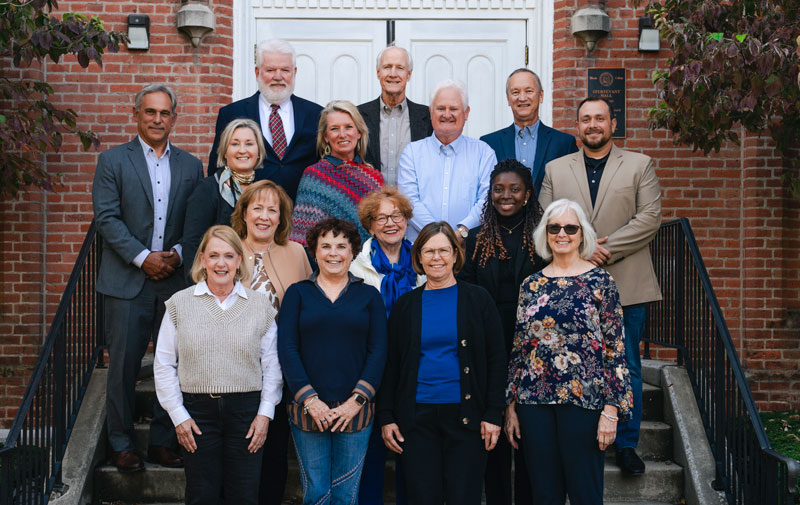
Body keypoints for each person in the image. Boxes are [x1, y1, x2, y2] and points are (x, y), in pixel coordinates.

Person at [539, 95, 662, 475]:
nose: (592, 125)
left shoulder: (640, 165)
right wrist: (580, 254)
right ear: (578, 127)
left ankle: (626, 445)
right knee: (576, 362)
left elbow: (649, 218)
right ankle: (582, 438)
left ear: (612, 124)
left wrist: (598, 251)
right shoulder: (556, 169)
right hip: (569, 290)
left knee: (627, 364)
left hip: (626, 281)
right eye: (585, 119)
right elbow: (545, 221)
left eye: (600, 119)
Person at [92, 83, 203, 473]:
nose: (157, 119)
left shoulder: (191, 165)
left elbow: (196, 221)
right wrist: (143, 258)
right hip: (126, 282)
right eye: (150, 112)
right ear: (136, 114)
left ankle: (162, 440)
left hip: (174, 281)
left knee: (171, 364)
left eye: (164, 113)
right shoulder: (112, 161)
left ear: (175, 117)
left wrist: (178, 254)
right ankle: (121, 444)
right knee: (123, 366)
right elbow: (106, 218)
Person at [505, 199, 633, 505]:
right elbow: (520, 348)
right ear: (545, 233)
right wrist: (510, 405)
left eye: (570, 228)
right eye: (554, 227)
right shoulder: (531, 285)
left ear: (582, 234)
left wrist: (612, 411)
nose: (562, 234)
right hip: (534, 401)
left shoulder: (601, 282)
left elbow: (616, 350)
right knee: (543, 494)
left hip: (584, 401)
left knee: (584, 492)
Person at [377, 222, 506, 505]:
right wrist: (386, 416)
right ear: (419, 258)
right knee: (423, 497)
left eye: (444, 250)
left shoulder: (478, 300)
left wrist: (494, 413)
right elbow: (391, 366)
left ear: (456, 255)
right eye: (429, 251)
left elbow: (497, 359)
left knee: (464, 497)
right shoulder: (405, 306)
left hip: (467, 417)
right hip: (416, 419)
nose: (437, 258)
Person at [153, 225, 282, 505]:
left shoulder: (260, 307)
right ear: (202, 259)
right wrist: (178, 415)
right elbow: (163, 363)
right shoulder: (179, 304)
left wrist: (265, 414)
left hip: (246, 413)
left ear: (239, 260)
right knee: (201, 495)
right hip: (197, 413)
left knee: (245, 496)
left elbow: (272, 366)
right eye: (213, 255)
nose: (221, 263)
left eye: (228, 255)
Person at [278, 218, 388, 505]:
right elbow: (287, 348)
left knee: (345, 494)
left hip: (356, 411)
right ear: (314, 252)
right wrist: (310, 400)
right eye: (325, 246)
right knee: (316, 492)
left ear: (353, 252)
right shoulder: (298, 294)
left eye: (342, 246)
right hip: (306, 409)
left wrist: (357, 401)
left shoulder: (369, 296)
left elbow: (379, 351)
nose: (333, 253)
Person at [458, 159, 545, 505]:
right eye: (498, 189)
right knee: (491, 433)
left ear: (527, 195)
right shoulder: (477, 239)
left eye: (514, 189)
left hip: (532, 347)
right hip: (488, 345)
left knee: (528, 436)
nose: (505, 195)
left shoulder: (542, 238)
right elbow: (464, 292)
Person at [229, 179, 313, 503]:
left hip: (284, 367)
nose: (264, 216)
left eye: (272, 210)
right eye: (258, 208)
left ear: (281, 217)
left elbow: (309, 305)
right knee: (240, 449)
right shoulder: (227, 247)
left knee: (275, 449)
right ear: (245, 212)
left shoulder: (296, 252)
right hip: (237, 369)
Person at [350, 188, 425, 505]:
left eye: (397, 216)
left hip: (414, 369)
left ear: (407, 221)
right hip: (370, 368)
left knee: (412, 453)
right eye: (381, 217)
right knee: (370, 455)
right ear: (369, 226)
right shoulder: (356, 265)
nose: (390, 223)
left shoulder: (424, 262)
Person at [208, 38, 323, 201]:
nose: (278, 76)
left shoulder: (316, 114)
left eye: (285, 70)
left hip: (303, 214)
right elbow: (217, 168)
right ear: (257, 72)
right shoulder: (232, 113)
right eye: (270, 70)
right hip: (250, 213)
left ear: (294, 73)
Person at [398, 79, 496, 242]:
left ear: (466, 113)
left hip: (469, 249)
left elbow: (487, 198)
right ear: (431, 112)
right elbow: (409, 201)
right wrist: (437, 235)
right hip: (421, 251)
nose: (447, 114)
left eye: (454, 108)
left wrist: (463, 230)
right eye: (441, 108)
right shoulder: (412, 153)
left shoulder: (483, 153)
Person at [290, 101, 384, 245]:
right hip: (328, 261)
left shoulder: (374, 178)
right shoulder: (314, 176)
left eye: (348, 127)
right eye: (334, 129)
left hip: (369, 263)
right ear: (326, 137)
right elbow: (303, 236)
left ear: (359, 132)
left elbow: (381, 229)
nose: (342, 134)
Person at [184, 118, 265, 281]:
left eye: (249, 144)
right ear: (225, 151)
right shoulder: (207, 189)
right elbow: (192, 244)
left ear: (258, 152)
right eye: (235, 144)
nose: (243, 150)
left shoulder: (264, 191)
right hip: (217, 283)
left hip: (257, 281)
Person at [480, 69, 577, 194]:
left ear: (540, 96)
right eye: (515, 92)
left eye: (529, 91)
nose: (522, 98)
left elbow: (571, 190)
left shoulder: (564, 143)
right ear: (508, 99)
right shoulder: (489, 143)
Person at [358, 45, 433, 187]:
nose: (393, 73)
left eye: (400, 68)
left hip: (413, 206)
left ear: (409, 75)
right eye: (387, 67)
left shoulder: (428, 117)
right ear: (378, 72)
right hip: (371, 205)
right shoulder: (358, 116)